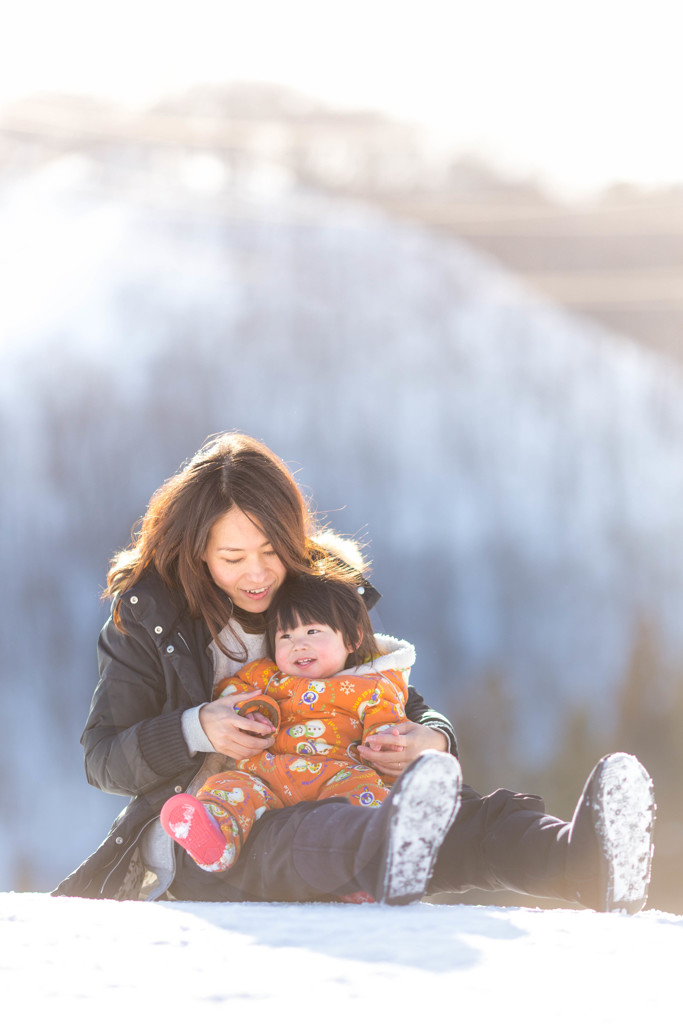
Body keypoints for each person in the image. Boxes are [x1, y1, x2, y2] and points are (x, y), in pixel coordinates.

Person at [53, 431, 655, 913]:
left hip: (345, 777)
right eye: (233, 558)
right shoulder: (152, 618)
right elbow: (103, 758)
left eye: (271, 552)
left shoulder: (316, 600)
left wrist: (433, 735)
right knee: (317, 832)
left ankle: (584, 862)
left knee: (461, 812)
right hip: (217, 828)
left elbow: (393, 693)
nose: (258, 574)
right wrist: (196, 729)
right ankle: (387, 845)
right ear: (197, 550)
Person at [159, 573, 418, 875]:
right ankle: (214, 838)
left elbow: (387, 722)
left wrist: (383, 742)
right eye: (286, 636)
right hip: (266, 776)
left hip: (337, 776)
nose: (298, 645)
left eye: (312, 631)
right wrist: (251, 713)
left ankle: (363, 868)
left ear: (352, 638)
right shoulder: (266, 676)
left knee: (364, 795)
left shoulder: (372, 685)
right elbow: (231, 694)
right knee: (228, 787)